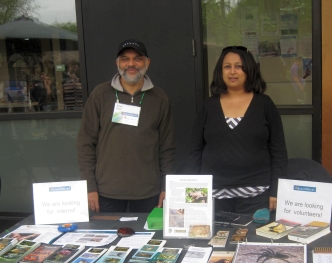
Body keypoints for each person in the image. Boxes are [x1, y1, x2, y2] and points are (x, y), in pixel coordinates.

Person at [76, 39, 175, 213]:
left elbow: (167, 148)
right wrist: (89, 187)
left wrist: (166, 187)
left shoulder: (159, 98)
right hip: (105, 192)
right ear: (117, 63)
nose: (131, 64)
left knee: (147, 240)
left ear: (147, 62)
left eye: (137, 59)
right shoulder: (100, 95)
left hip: (148, 193)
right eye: (125, 59)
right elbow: (85, 143)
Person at [186, 46, 287, 214]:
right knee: (212, 240)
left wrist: (276, 190)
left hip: (257, 195)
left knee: (251, 239)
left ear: (249, 70)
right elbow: (194, 151)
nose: (232, 71)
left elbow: (279, 151)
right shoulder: (208, 106)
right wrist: (191, 192)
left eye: (239, 66)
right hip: (213, 194)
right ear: (220, 71)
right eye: (227, 66)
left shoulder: (264, 104)